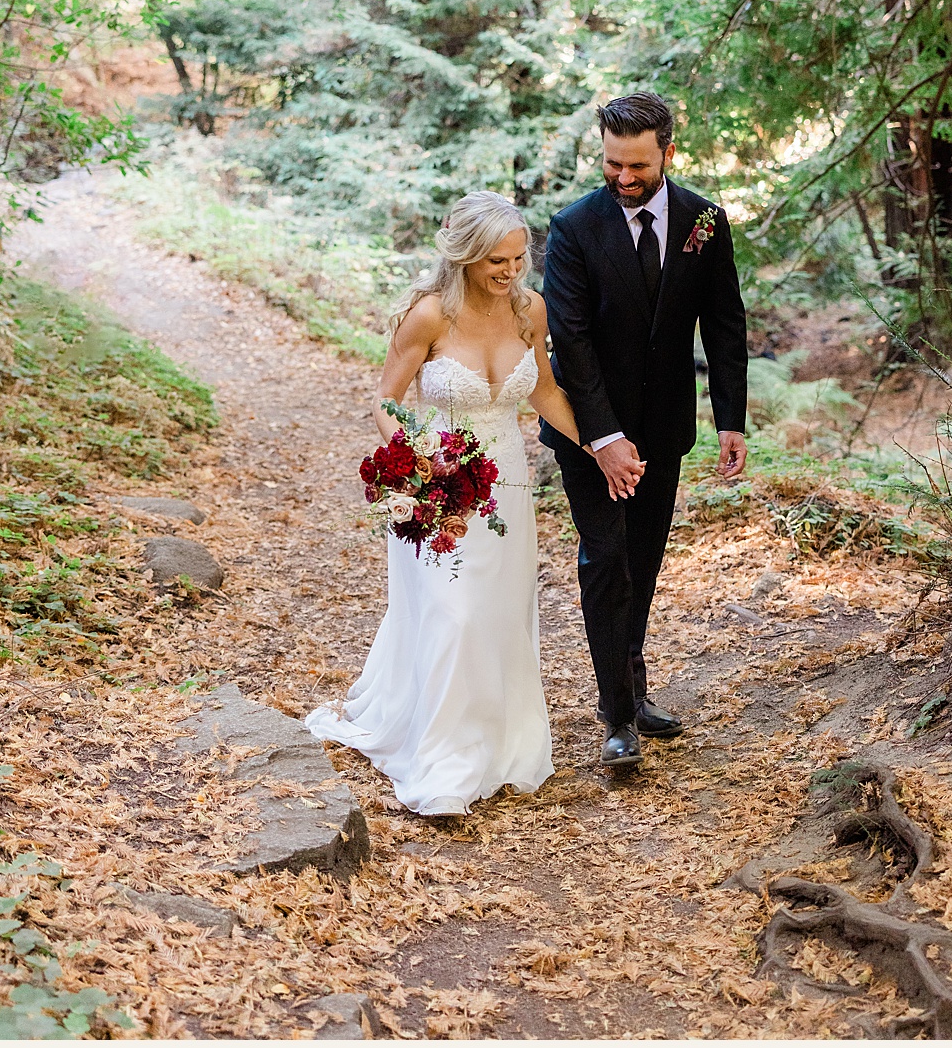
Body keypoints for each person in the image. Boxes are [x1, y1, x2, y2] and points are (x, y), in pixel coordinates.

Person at [308, 190, 577, 816]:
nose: (510, 273)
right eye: (495, 263)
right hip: (441, 487)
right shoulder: (428, 316)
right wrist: (420, 459)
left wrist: (596, 446)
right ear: (463, 258)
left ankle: (498, 745)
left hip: (506, 482)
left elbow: (543, 392)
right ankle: (445, 762)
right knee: (453, 614)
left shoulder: (529, 310)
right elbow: (385, 399)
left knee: (497, 616)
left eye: (518, 259)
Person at [542, 91, 748, 768]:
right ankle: (618, 714)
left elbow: (724, 324)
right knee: (606, 560)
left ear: (667, 152)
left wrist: (730, 419)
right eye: (611, 164)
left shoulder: (706, 221)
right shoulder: (572, 228)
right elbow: (569, 340)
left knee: (645, 562)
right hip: (587, 430)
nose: (623, 178)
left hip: (664, 431)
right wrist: (603, 439)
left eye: (636, 165)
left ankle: (629, 681)